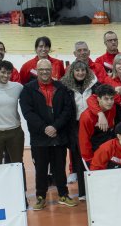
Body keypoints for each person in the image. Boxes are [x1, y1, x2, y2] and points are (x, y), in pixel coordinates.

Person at [19, 58, 77, 208]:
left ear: (52, 71)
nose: (44, 72)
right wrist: (44, 128)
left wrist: (55, 127)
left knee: (60, 168)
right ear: (37, 71)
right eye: (41, 70)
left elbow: (67, 110)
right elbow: (28, 112)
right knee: (41, 169)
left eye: (47, 69)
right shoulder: (28, 89)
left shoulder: (61, 87)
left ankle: (63, 194)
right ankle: (40, 197)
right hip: (39, 137)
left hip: (58, 135)